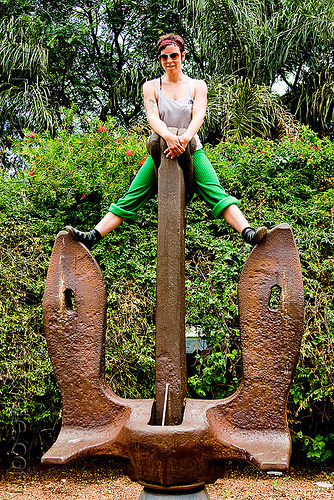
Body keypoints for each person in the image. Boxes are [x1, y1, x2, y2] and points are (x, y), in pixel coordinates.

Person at [66, 33, 267, 249]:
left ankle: (248, 234)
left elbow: (199, 115)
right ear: (160, 59)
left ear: (182, 56)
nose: (169, 61)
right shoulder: (151, 86)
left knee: (217, 193)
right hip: (161, 150)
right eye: (164, 57)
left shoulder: (198, 85)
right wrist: (170, 137)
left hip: (191, 148)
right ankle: (92, 237)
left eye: (173, 55)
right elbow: (153, 118)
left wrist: (184, 140)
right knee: (131, 196)